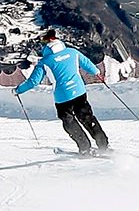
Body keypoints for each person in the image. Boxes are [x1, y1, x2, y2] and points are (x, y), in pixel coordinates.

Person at [15, 27, 110, 155]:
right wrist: (98, 74)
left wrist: (18, 90)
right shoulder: (73, 52)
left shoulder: (44, 62)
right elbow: (88, 65)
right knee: (87, 117)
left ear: (46, 45)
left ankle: (84, 148)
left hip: (63, 97)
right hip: (79, 92)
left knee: (69, 122)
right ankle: (103, 145)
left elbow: (33, 82)